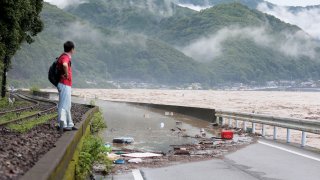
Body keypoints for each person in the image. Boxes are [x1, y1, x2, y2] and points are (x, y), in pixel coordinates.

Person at [57, 41, 77, 131]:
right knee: (63, 105)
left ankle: (69, 124)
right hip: (64, 83)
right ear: (72, 49)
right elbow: (65, 65)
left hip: (65, 84)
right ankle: (63, 125)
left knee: (67, 105)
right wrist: (66, 74)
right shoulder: (65, 57)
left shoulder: (63, 56)